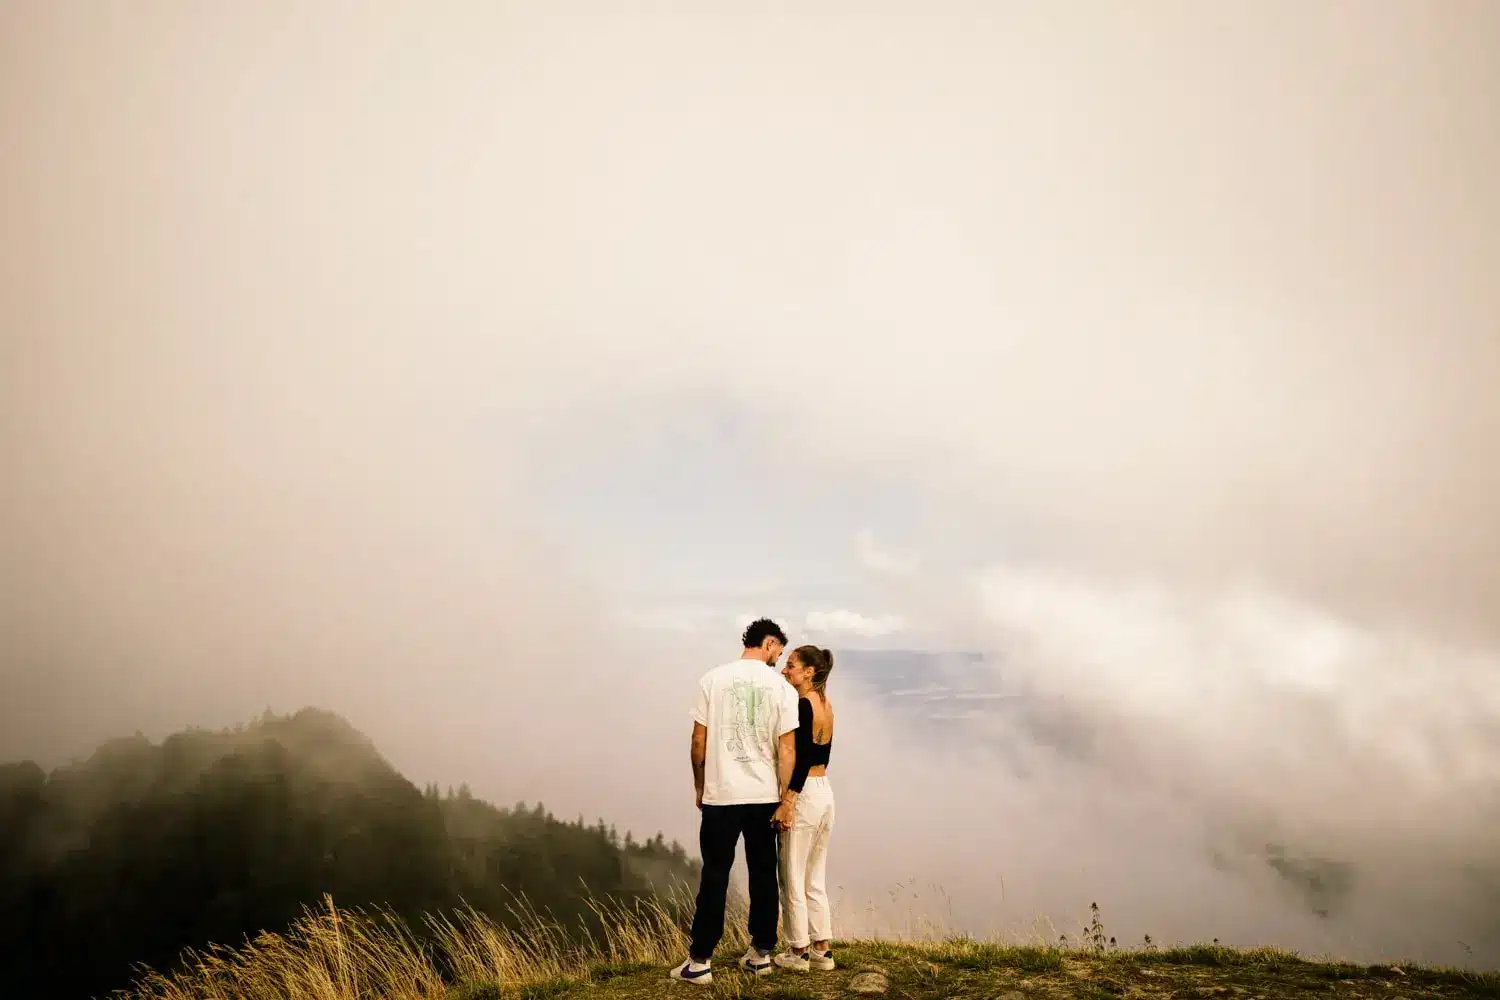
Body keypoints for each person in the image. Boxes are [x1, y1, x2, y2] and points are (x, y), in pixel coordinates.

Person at [670, 618, 800, 986]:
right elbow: (787, 748)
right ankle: (761, 954)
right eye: (779, 651)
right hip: (764, 796)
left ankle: (700, 961)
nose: (778, 659)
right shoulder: (781, 688)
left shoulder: (712, 679)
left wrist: (700, 786)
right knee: (763, 874)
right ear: (769, 643)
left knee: (715, 874)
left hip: (722, 795)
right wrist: (785, 798)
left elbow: (698, 741)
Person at [771, 645, 837, 972]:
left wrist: (788, 800)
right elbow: (822, 756)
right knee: (814, 875)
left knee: (792, 875)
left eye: (791, 665)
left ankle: (798, 951)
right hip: (825, 790)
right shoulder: (827, 704)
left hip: (805, 791)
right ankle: (822, 948)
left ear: (809, 672)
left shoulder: (802, 705)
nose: (785, 670)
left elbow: (801, 757)